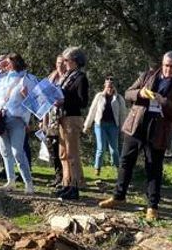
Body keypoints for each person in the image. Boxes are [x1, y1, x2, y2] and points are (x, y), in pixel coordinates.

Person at [99, 52, 172, 219]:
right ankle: (118, 196)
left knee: (153, 167)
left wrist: (164, 102)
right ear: (162, 64)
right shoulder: (147, 76)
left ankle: (152, 206)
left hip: (159, 130)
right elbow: (128, 93)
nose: (168, 69)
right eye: (166, 65)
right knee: (126, 161)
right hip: (136, 125)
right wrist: (140, 93)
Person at [0, 53, 40, 193]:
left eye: (8, 62)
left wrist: (26, 95)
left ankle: (28, 184)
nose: (6, 65)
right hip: (1, 117)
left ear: (16, 62)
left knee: (17, 152)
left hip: (17, 119)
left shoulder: (28, 78)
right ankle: (10, 181)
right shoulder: (3, 77)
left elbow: (37, 100)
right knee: (5, 152)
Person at [55, 47, 89, 201]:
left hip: (72, 118)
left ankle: (75, 186)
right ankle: (66, 184)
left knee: (72, 154)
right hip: (62, 117)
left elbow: (83, 101)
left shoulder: (81, 78)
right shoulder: (66, 76)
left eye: (67, 60)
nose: (64, 63)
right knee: (63, 153)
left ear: (75, 61)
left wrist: (64, 100)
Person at [84, 76, 126, 176]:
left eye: (111, 87)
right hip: (100, 125)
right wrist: (87, 125)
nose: (110, 89)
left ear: (114, 87)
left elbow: (122, 114)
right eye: (108, 86)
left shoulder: (119, 98)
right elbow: (92, 111)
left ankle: (117, 168)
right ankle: (97, 168)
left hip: (113, 126)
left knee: (114, 150)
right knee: (101, 148)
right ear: (104, 86)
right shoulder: (99, 96)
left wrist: (123, 129)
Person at [42, 56, 68, 189]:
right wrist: (43, 121)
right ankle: (58, 176)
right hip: (51, 117)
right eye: (58, 63)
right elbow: (45, 101)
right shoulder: (51, 79)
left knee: (62, 148)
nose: (60, 65)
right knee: (52, 147)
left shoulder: (67, 79)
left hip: (63, 117)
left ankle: (66, 178)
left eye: (62, 63)